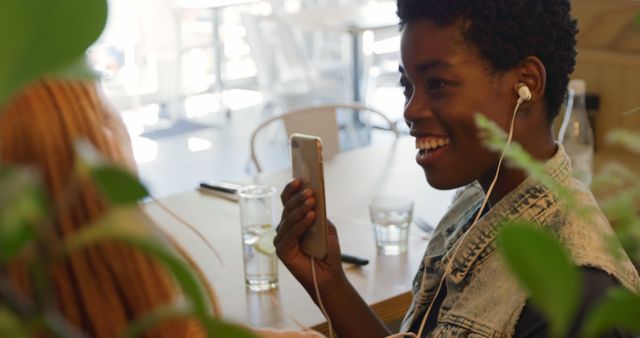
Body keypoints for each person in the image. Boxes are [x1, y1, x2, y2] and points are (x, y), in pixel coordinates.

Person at [274, 0, 640, 337]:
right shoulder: (473, 203)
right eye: (408, 86)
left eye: (437, 84)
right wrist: (329, 283)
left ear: (525, 85)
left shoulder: (573, 293)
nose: (410, 110)